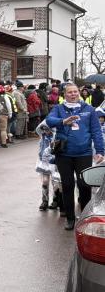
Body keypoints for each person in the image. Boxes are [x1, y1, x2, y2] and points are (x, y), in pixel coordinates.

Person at [45, 83, 105, 230]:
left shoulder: (89, 109)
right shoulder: (58, 109)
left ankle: (85, 217)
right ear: (64, 95)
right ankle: (70, 218)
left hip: (84, 153)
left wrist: (100, 151)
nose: (73, 94)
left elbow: (96, 131)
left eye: (75, 92)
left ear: (79, 93)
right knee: (67, 185)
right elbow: (49, 121)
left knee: (84, 186)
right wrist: (62, 121)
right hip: (64, 154)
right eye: (70, 92)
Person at [35, 121, 62, 211]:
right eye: (44, 129)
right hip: (44, 162)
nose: (45, 131)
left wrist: (52, 123)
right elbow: (37, 129)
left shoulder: (56, 136)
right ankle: (45, 201)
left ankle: (55, 201)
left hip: (54, 162)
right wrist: (47, 120)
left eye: (47, 129)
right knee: (45, 181)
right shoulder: (42, 136)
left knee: (55, 183)